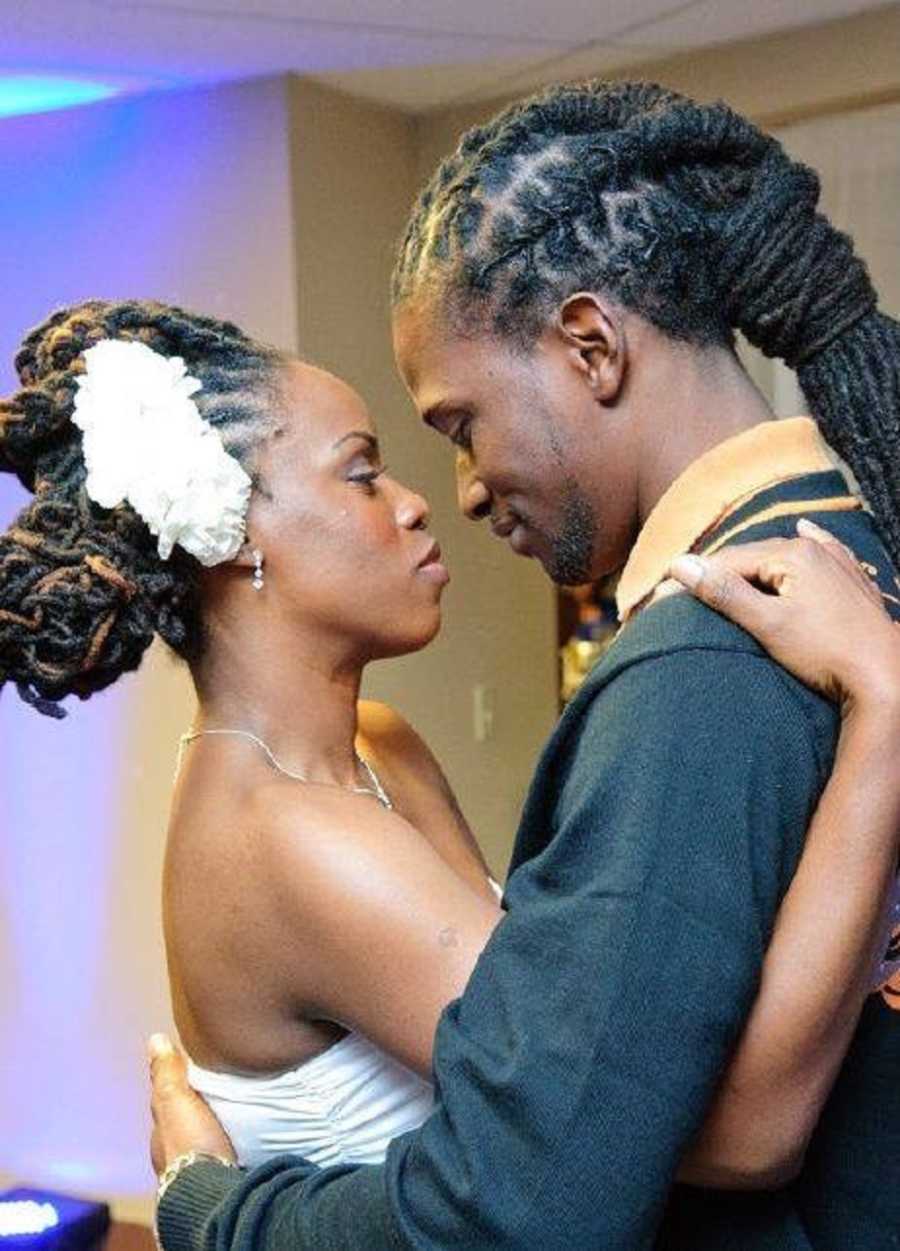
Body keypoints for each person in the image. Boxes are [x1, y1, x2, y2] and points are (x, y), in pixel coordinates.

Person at [148, 80, 900, 1250]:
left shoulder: (701, 664)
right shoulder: (860, 544)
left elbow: (539, 1195)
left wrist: (220, 1218)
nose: (459, 491)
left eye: (460, 427)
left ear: (591, 348)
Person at [0, 301, 891, 1186]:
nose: (419, 503)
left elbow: (564, 1007)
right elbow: (656, 1130)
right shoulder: (291, 838)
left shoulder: (380, 744)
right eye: (363, 473)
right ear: (235, 535)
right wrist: (879, 711)